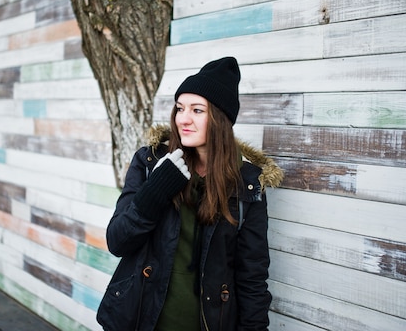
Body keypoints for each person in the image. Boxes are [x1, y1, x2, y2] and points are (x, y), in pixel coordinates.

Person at [96, 57, 284, 331]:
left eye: (197, 110)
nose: (183, 119)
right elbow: (117, 241)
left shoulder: (248, 185)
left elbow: (252, 276)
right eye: (180, 108)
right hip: (139, 320)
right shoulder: (150, 163)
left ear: (220, 119)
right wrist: (156, 190)